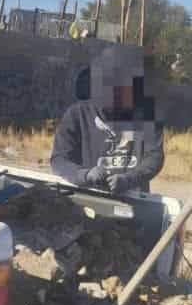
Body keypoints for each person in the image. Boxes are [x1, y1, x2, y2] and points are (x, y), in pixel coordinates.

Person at [50, 44, 164, 194]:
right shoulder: (76, 114)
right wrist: (85, 175)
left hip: (133, 197)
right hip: (88, 197)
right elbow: (59, 159)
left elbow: (154, 156)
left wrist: (128, 179)